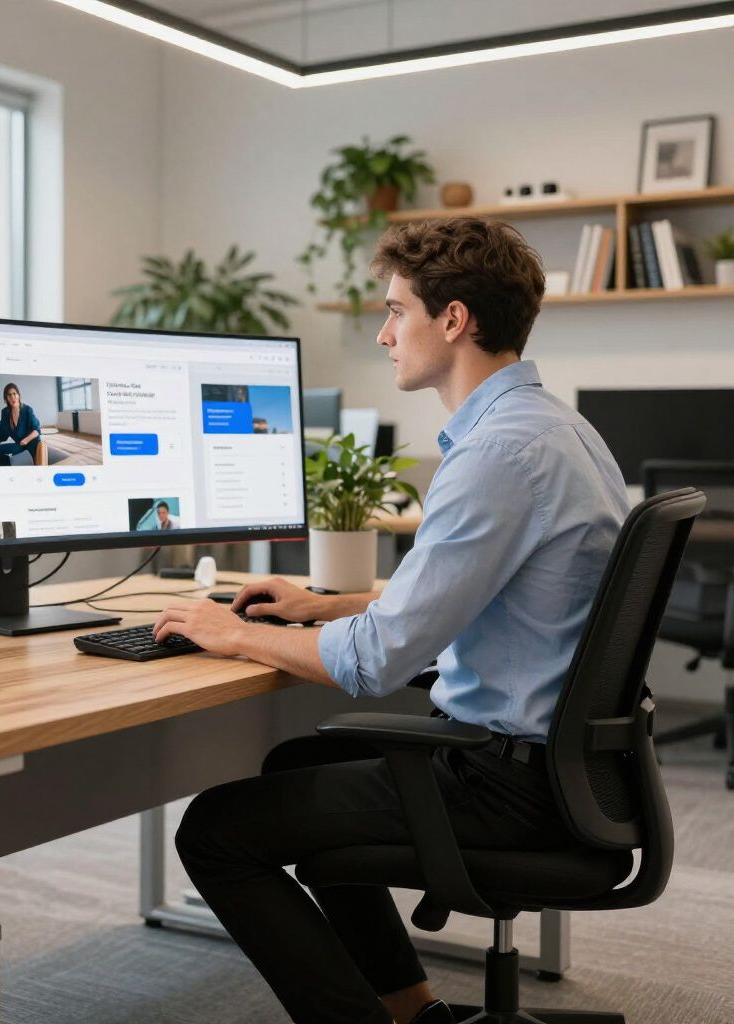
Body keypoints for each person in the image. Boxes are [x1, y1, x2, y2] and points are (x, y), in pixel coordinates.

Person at [152, 217, 628, 1024]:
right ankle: (410, 1009)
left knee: (213, 831)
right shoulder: (556, 429)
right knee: (295, 763)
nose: (383, 333)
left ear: (453, 320)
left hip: (511, 782)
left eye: (396, 311)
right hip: (568, 767)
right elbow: (487, 593)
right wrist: (326, 606)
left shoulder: (495, 455)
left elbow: (374, 663)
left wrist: (226, 631)